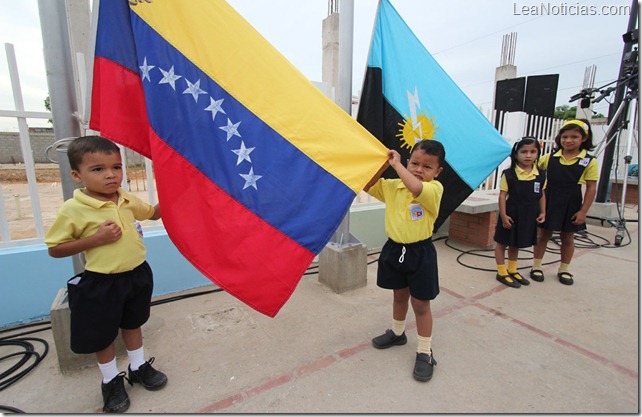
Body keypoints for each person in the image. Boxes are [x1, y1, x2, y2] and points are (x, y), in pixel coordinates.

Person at [44, 136, 167, 413]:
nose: (111, 175)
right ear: (77, 175)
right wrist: (95, 239)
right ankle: (111, 380)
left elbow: (153, 214)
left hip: (136, 274)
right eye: (98, 169)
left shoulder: (124, 198)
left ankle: (137, 367)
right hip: (102, 282)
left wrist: (176, 189)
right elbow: (55, 248)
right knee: (104, 335)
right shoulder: (73, 209)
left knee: (133, 323)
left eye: (116, 167)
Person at [364, 139, 444, 382]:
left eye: (427, 167)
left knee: (421, 304)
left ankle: (424, 351)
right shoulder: (392, 186)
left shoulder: (433, 189)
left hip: (420, 253)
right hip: (394, 249)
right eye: (415, 163)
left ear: (437, 172)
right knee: (399, 295)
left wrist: (397, 165)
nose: (419, 169)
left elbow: (416, 188)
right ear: (409, 161)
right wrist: (381, 162)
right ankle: (398, 333)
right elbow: (367, 184)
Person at [530, 119, 598, 285]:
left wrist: (583, 211)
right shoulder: (549, 158)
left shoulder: (589, 161)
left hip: (571, 202)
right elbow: (531, 168)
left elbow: (591, 188)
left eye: (574, 136)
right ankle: (536, 266)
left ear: (584, 138)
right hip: (549, 200)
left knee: (567, 237)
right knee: (543, 234)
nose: (568, 140)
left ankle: (564, 269)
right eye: (565, 136)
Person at [494, 137, 546, 288]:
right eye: (523, 152)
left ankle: (512, 269)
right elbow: (503, 195)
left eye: (532, 152)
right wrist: (503, 215)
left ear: (538, 153)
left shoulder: (541, 174)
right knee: (502, 242)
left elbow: (542, 194)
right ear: (516, 154)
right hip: (511, 212)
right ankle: (501, 271)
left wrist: (543, 212)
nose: (528, 155)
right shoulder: (509, 174)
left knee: (515, 243)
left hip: (529, 214)